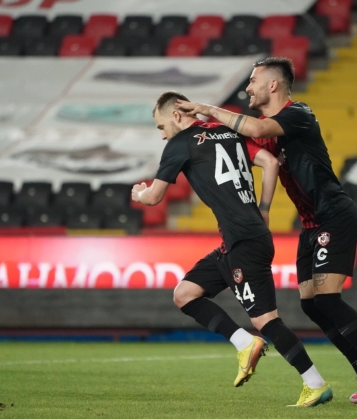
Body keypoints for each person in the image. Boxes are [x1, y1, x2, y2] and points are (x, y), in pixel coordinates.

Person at [176, 57, 357, 406]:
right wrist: (262, 209)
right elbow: (267, 161)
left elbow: (258, 132)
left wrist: (208, 109)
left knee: (326, 299)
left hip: (334, 215)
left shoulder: (298, 114)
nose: (247, 87)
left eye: (252, 80)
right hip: (311, 224)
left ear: (273, 85)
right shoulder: (266, 126)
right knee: (311, 306)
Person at [132, 91, 333, 407]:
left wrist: (140, 194)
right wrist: (264, 208)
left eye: (160, 126)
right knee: (185, 293)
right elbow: (268, 162)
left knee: (266, 320)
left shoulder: (179, 143)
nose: (162, 135)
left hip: (243, 241)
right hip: (241, 239)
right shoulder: (228, 131)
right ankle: (244, 343)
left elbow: (155, 197)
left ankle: (315, 382)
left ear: (176, 115)